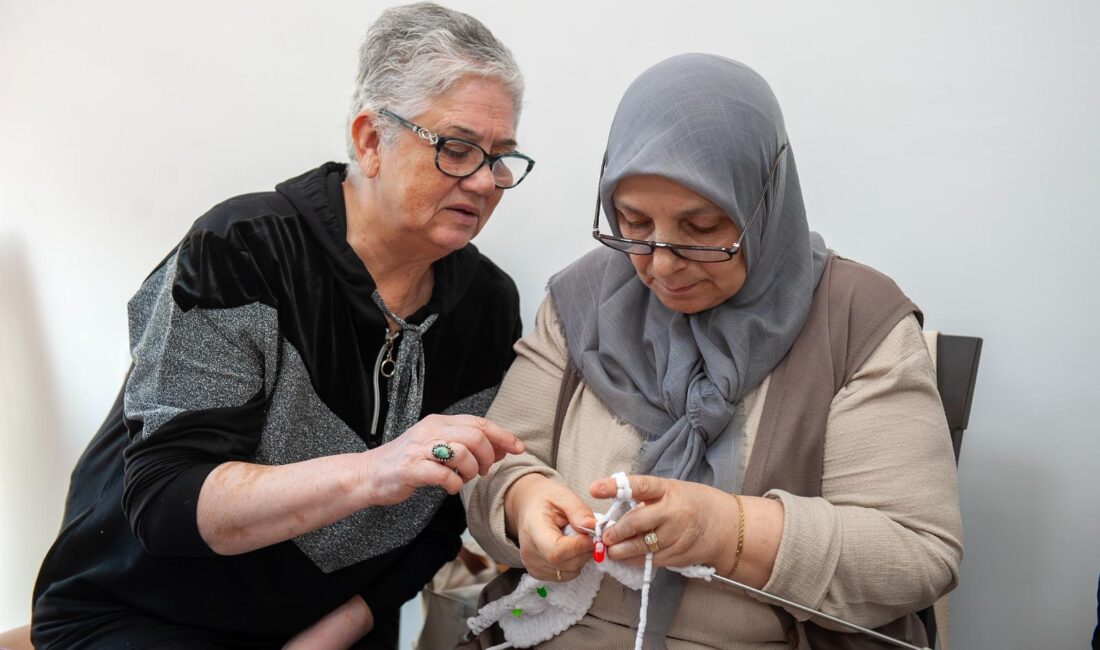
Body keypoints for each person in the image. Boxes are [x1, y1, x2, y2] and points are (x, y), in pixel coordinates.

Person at [31, 3, 534, 648]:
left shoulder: (487, 304)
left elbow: (442, 513)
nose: (487, 181)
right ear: (370, 141)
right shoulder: (242, 248)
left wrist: (337, 630)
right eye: (457, 149)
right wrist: (373, 471)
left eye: (501, 157)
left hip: (332, 623)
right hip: (143, 612)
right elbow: (166, 499)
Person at [464, 53, 963, 648]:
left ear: (765, 204)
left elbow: (915, 552)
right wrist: (524, 503)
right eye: (633, 222)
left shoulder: (857, 322)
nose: (662, 263)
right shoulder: (583, 301)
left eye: (701, 229)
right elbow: (496, 462)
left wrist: (730, 530)